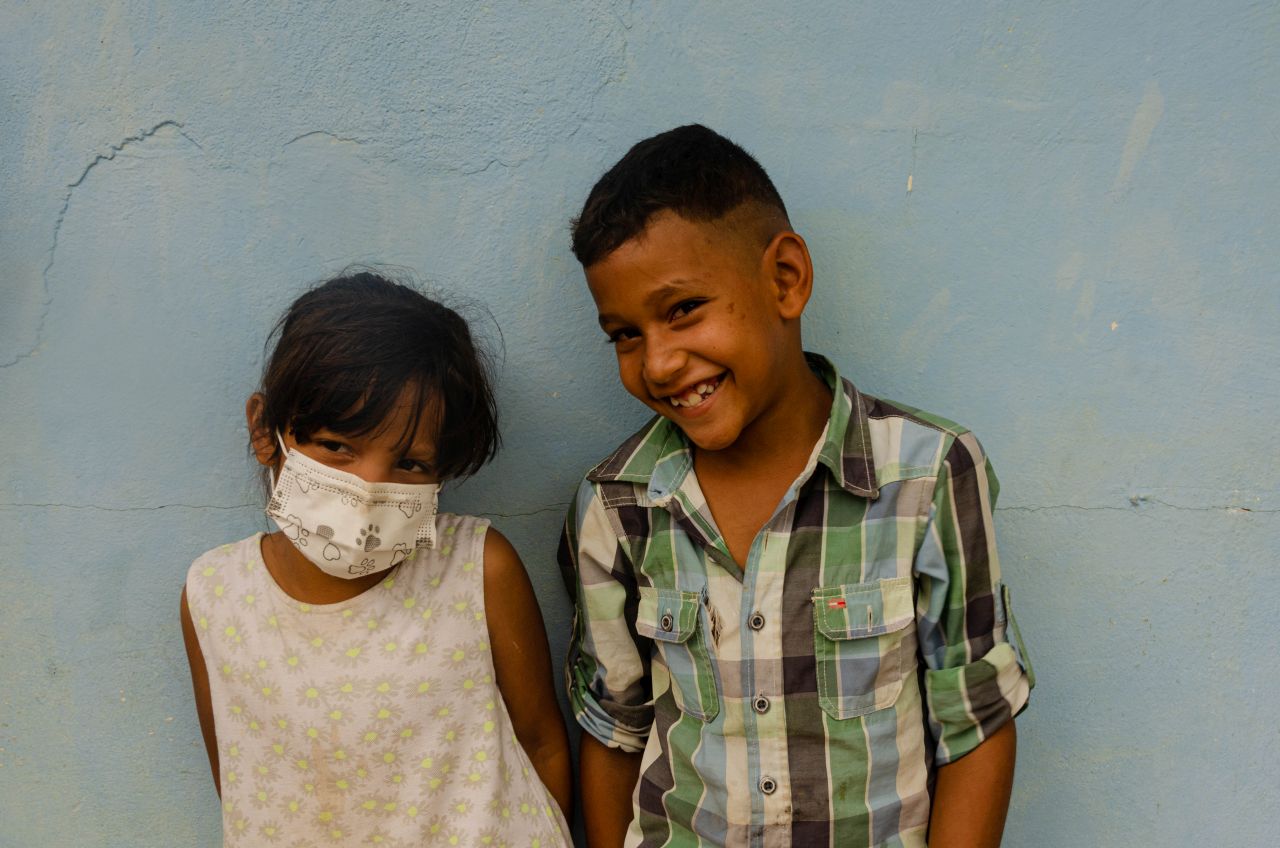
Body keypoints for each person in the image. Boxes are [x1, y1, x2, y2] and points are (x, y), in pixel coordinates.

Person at [559, 125, 1035, 848]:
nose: (656, 363)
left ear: (785, 279)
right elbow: (613, 729)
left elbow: (975, 725)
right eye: (624, 334)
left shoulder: (928, 476)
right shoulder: (618, 504)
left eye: (683, 308)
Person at [180, 271, 572, 847]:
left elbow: (542, 742)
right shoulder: (214, 594)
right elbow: (239, 778)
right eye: (338, 446)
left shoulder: (476, 568)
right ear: (267, 431)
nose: (367, 489)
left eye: (410, 464)